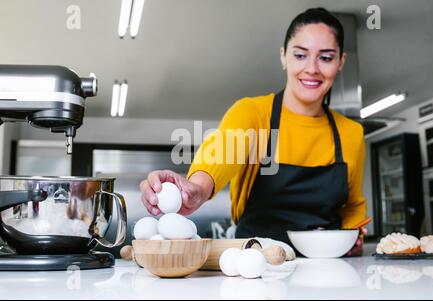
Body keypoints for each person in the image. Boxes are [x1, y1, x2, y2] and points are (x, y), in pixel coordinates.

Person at [140, 7, 367, 256]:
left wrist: (351, 234)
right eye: (300, 55)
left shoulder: (351, 133)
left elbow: (353, 205)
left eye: (325, 57)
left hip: (327, 269)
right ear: (284, 56)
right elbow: (221, 153)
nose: (312, 68)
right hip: (256, 265)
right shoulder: (254, 114)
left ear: (341, 62)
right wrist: (196, 189)